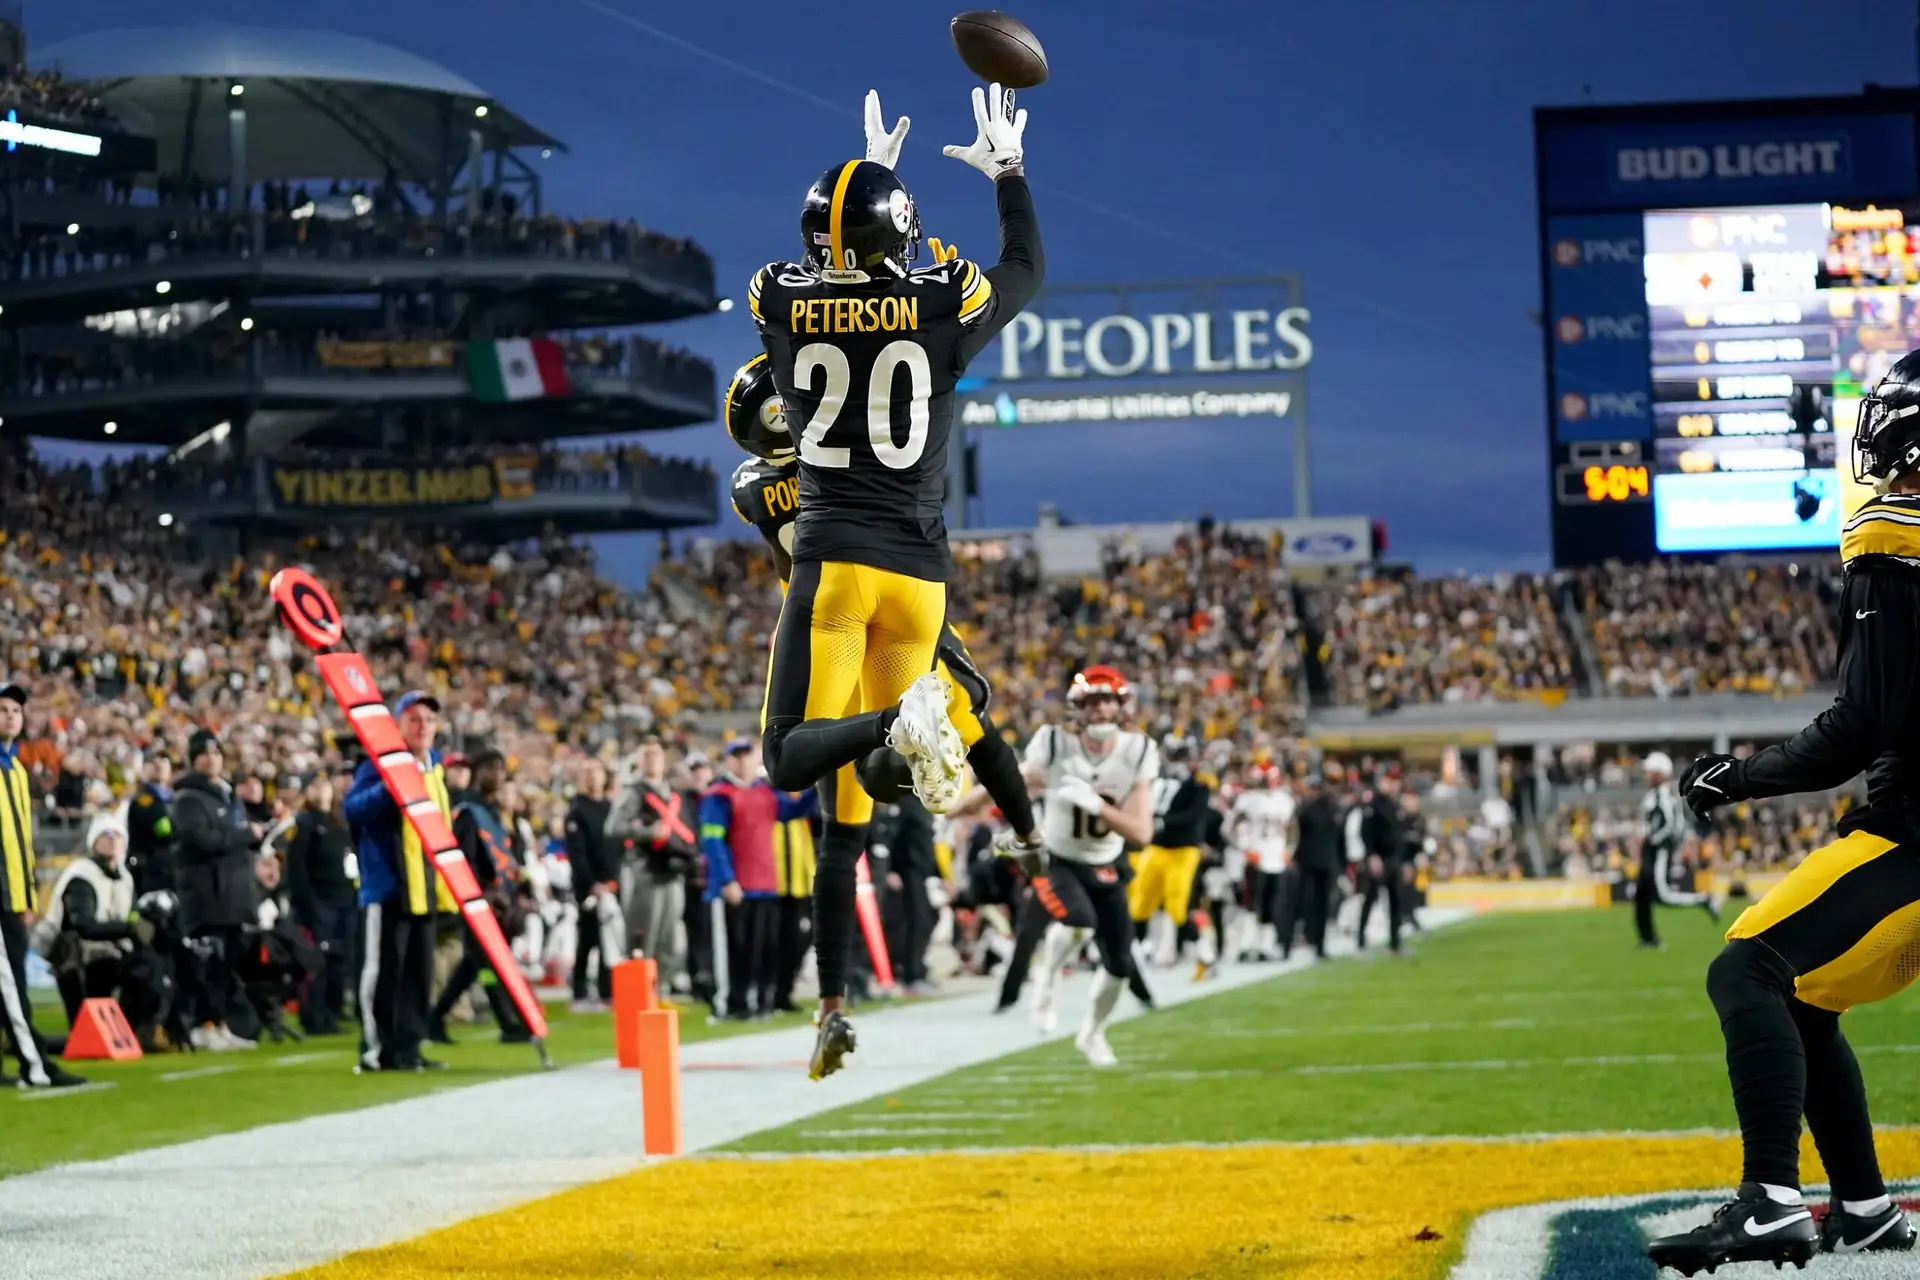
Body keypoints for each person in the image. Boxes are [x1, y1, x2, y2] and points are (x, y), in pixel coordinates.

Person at [747, 84, 1043, 1077]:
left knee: (793, 756)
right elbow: (1024, 267)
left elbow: (823, 273)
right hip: (919, 575)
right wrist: (1005, 171)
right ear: (907, 233)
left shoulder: (775, 296)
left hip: (833, 567)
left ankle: (894, 735)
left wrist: (865, 187)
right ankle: (909, 746)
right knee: (864, 799)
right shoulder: (939, 297)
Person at [1647, 351, 1920, 1272]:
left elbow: (1862, 723)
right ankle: (1867, 1206)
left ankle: (1769, 1199)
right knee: (1802, 995)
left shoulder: (1894, 529)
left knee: (1749, 970)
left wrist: (1741, 776)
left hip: (1917, 835)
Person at [1021, 666, 1158, 1068]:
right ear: (1078, 707)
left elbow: (1142, 833)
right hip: (1060, 857)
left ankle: (1092, 1033)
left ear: (1121, 706)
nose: (1100, 710)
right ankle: (1045, 983)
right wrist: (959, 807)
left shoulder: (1138, 751)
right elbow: (1014, 781)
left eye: (1108, 701)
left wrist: (1097, 805)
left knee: (1119, 964)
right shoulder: (1052, 742)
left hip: (1105, 862)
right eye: (1093, 702)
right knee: (1079, 923)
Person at [345, 690, 450, 1073]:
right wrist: (391, 789)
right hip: (388, 885)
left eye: (429, 720)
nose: (423, 727)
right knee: (384, 973)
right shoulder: (381, 763)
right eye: (414, 719)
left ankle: (409, 1047)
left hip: (425, 886)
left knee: (417, 975)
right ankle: (376, 1049)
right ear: (399, 724)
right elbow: (353, 809)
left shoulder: (434, 766)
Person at [0, 682, 84, 1087]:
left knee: (8, 980)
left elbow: (19, 840)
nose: (10, 716)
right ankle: (36, 1065)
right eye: (2, 709)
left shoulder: (15, 770)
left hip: (12, 895)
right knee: (10, 983)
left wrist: (26, 894)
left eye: (15, 710)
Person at [699, 738, 816, 1019]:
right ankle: (730, 1004)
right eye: (735, 757)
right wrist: (727, 880)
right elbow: (712, 842)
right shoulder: (719, 795)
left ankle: (759, 1002)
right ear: (727, 761)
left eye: (746, 756)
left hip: (767, 885)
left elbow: (793, 812)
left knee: (763, 950)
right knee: (734, 951)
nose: (741, 762)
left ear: (755, 760)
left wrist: (819, 784)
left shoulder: (765, 793)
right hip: (736, 887)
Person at [430, 750, 530, 1044]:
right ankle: (509, 1023)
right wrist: (482, 893)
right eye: (491, 768)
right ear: (478, 772)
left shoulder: (493, 810)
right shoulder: (468, 810)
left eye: (501, 769)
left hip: (495, 899)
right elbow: (463, 857)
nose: (498, 775)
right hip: (477, 899)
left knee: (474, 964)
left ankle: (435, 1017)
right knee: (486, 962)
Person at [172, 728, 260, 1051]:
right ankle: (203, 1025)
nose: (212, 759)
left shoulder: (226, 794)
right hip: (208, 896)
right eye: (204, 754)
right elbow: (203, 840)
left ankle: (221, 1025)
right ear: (194, 759)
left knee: (227, 966)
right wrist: (244, 833)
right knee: (208, 965)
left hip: (232, 897)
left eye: (216, 753)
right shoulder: (187, 799)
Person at [34, 812, 141, 1028]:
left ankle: (139, 1028)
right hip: (72, 955)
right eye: (107, 834)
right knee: (84, 1026)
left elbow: (131, 915)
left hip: (108, 948)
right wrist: (130, 929)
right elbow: (83, 926)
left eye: (118, 835)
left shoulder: (125, 877)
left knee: (147, 966)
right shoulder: (82, 875)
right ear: (94, 841)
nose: (112, 839)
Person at [610, 737, 698, 997]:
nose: (652, 759)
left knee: (669, 935)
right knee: (643, 934)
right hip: (644, 870)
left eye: (656, 754)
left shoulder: (672, 793)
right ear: (639, 761)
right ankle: (638, 993)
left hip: (671, 871)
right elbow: (615, 826)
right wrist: (649, 833)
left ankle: (662, 989)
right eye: (646, 755)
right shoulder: (632, 791)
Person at [1128, 735, 1217, 977]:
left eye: (1181, 754)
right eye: (1174, 754)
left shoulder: (1198, 784)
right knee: (1139, 904)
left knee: (1178, 908)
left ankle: (1205, 955)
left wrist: (1161, 821)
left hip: (1183, 851)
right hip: (1156, 848)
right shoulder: (1153, 779)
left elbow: (1194, 816)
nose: (1177, 759)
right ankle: (1135, 954)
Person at [284, 772, 355, 1036]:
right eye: (315, 785)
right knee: (317, 962)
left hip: (344, 899)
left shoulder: (339, 822)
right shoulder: (304, 823)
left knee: (339, 960)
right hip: (319, 903)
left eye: (324, 784)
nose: (321, 789)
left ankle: (332, 1014)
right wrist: (306, 905)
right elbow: (297, 869)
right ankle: (314, 1016)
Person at [1632, 751, 1721, 950]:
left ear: (1660, 774)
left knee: (1663, 895)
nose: (1646, 775)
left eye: (1650, 772)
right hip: (1653, 848)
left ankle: (1704, 899)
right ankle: (1648, 938)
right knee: (1642, 894)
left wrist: (1654, 840)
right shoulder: (1654, 794)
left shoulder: (1664, 795)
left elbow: (1673, 825)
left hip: (1659, 849)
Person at [566, 757, 620, 1012]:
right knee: (588, 937)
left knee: (609, 938)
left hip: (611, 885)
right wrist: (591, 883)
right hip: (588, 887)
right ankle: (579, 990)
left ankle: (607, 989)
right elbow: (577, 853)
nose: (591, 777)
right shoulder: (576, 811)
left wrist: (614, 880)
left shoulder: (611, 808)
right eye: (586, 772)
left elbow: (618, 848)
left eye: (595, 771)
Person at [1230, 762, 1295, 961]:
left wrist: (1289, 851)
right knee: (1250, 904)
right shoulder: (1247, 799)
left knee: (1272, 905)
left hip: (1276, 858)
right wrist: (1245, 848)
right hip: (1255, 858)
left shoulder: (1284, 800)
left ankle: (1265, 945)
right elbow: (1235, 826)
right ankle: (1245, 945)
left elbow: (1292, 828)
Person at [1291, 773, 1344, 960]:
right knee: (1314, 903)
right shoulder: (1330, 809)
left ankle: (1310, 939)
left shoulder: (1308, 809)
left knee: (1310, 903)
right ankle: (1314, 941)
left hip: (1313, 861)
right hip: (1319, 861)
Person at [1356, 771, 1406, 956]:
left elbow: (1399, 834)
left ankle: (1395, 943)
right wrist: (1371, 855)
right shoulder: (1373, 805)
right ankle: (1360, 941)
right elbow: (1365, 832)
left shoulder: (1394, 805)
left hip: (1394, 859)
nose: (1391, 785)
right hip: (1378, 858)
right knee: (1370, 900)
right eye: (1388, 781)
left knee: (1396, 901)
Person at [125, 752, 176, 896]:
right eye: (153, 762)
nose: (159, 765)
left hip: (171, 867)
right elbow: (163, 830)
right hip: (150, 869)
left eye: (164, 761)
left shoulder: (175, 797)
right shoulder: (143, 800)